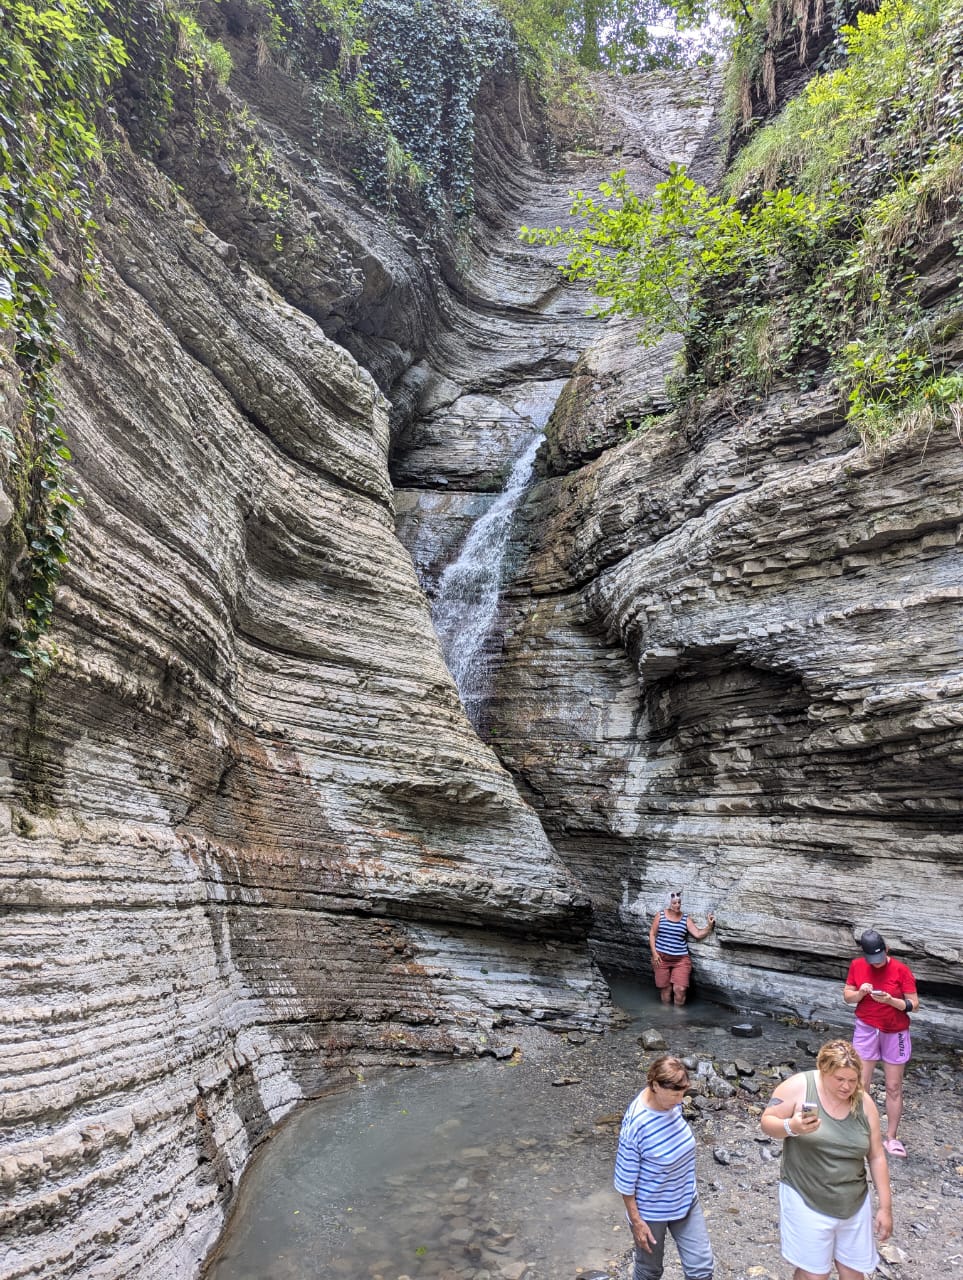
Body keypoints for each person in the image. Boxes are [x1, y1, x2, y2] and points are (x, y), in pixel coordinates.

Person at [760, 1039, 893, 1280]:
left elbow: (876, 1156)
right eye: (840, 1079)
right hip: (805, 1195)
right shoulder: (799, 1087)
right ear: (824, 1071)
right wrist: (792, 1126)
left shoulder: (864, 1104)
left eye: (853, 1080)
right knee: (815, 1274)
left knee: (853, 1273)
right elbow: (767, 1122)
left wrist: (885, 1207)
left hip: (852, 1199)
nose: (847, 1087)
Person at [614, 1055, 714, 1280]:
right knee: (650, 1271)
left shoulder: (670, 1103)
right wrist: (637, 1222)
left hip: (686, 1198)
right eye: (675, 1095)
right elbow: (625, 1182)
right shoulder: (636, 1125)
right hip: (651, 1212)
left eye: (682, 1094)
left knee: (701, 1269)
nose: (680, 1101)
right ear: (655, 1086)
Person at [843, 927, 918, 1157]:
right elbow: (848, 996)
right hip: (866, 1028)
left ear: (886, 949)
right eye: (872, 960)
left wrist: (891, 1001)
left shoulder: (901, 970)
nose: (876, 964)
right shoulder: (857, 966)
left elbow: (913, 1003)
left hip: (895, 1031)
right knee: (861, 1082)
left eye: (879, 958)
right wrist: (861, 994)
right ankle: (862, 1132)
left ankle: (891, 1138)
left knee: (893, 1086)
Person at [648, 890, 715, 1005]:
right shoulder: (660, 915)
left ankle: (678, 1019)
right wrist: (654, 954)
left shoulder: (685, 918)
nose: (677, 905)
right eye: (674, 903)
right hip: (660, 958)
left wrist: (709, 926)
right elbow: (652, 934)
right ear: (668, 903)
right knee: (665, 990)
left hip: (680, 959)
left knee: (680, 989)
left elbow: (698, 934)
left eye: (679, 902)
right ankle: (665, 1017)